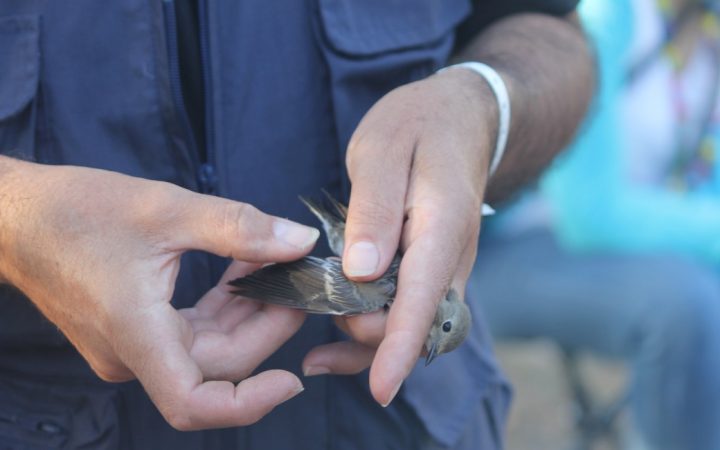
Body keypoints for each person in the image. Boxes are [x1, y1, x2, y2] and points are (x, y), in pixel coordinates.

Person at [0, 1, 592, 449]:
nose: (428, 334)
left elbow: (550, 31)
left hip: (406, 427)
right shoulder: (373, 286)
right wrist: (17, 217)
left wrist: (484, 100)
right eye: (439, 327)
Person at [471, 0, 720, 448]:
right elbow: (591, 216)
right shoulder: (607, 15)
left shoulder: (707, 30)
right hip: (506, 251)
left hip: (640, 258)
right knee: (687, 305)